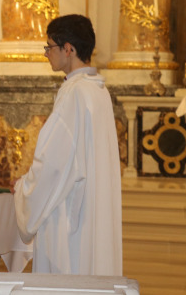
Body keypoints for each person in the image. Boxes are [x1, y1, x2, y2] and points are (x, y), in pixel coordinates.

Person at [12, 14, 122, 275]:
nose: (46, 53)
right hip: (88, 209)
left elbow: (52, 165)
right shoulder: (98, 90)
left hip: (69, 218)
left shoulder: (74, 93)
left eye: (50, 47)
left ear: (68, 49)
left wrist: (23, 188)